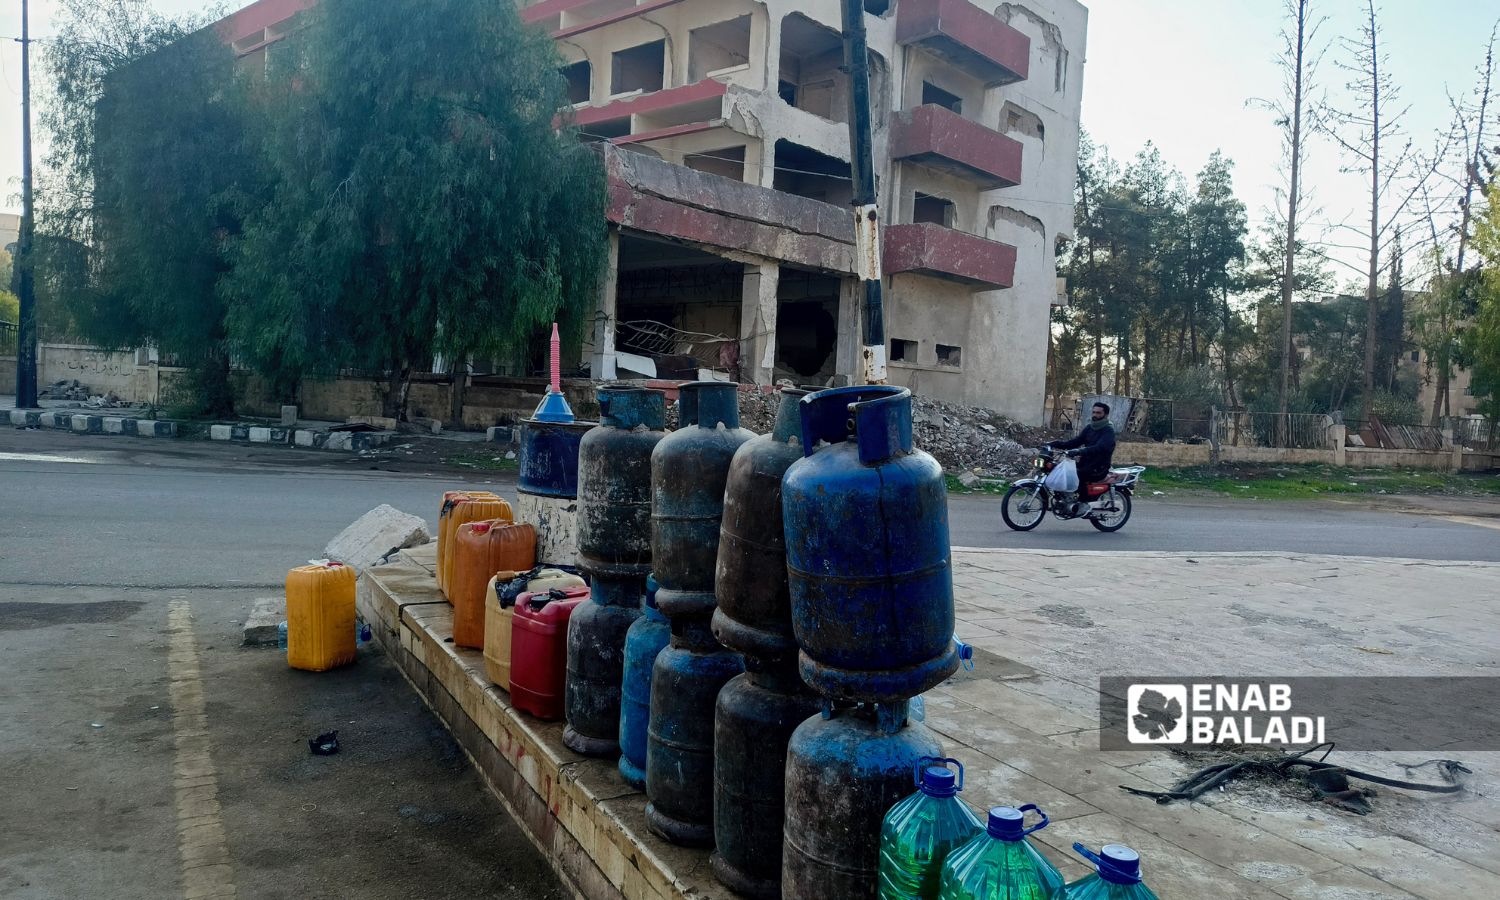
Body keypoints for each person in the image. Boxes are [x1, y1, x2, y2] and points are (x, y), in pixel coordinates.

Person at [1051, 402, 1117, 485]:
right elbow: (1077, 441)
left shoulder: (1108, 430)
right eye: (1093, 412)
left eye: (1098, 413)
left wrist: (1079, 451)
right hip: (1085, 464)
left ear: (1106, 415)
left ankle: (1082, 498)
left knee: (1078, 477)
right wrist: (1055, 444)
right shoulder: (1089, 427)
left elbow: (1100, 447)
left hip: (1099, 467)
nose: (1095, 415)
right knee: (1062, 472)